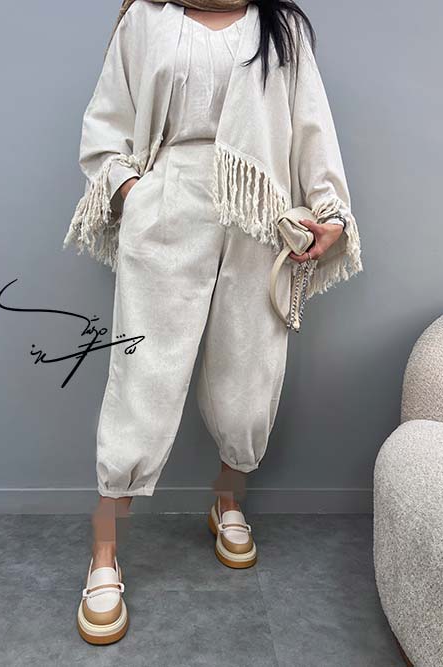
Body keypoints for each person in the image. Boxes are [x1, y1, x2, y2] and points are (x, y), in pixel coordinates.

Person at [63, 0, 363, 645]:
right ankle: (104, 547)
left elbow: (311, 123)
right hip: (168, 204)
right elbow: (107, 122)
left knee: (249, 374)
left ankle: (228, 499)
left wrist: (330, 210)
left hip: (258, 210)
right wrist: (133, 193)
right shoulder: (146, 17)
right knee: (143, 378)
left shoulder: (280, 26)